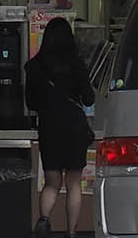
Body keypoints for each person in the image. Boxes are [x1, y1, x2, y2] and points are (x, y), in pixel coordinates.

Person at [26, 17, 95, 236]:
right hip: (74, 128)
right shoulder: (76, 64)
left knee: (51, 183)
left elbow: (31, 103)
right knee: (74, 183)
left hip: (49, 127)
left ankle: (44, 222)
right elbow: (89, 99)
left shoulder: (35, 67)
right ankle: (72, 232)